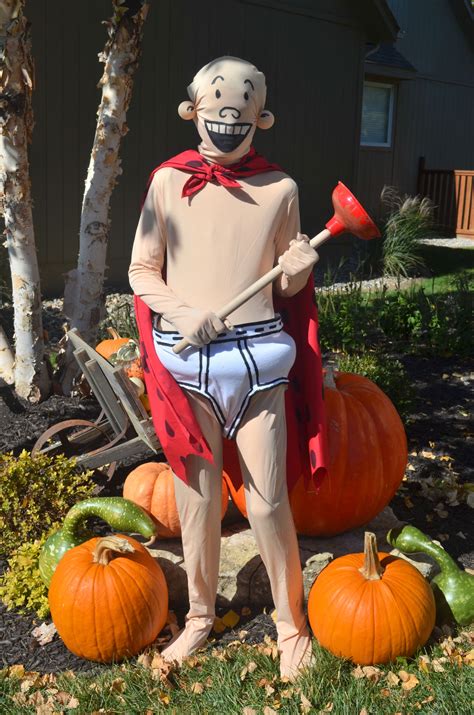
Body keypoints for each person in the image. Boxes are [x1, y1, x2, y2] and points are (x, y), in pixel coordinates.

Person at [129, 56, 325, 680]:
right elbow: (141, 272)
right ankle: (198, 618)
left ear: (260, 119)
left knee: (268, 504)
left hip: (258, 358)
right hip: (187, 360)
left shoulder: (282, 190)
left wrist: (297, 267)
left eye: (239, 114)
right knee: (197, 500)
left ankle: (290, 625)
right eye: (215, 112)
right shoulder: (167, 183)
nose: (226, 124)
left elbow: (291, 290)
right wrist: (183, 313)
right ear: (193, 112)